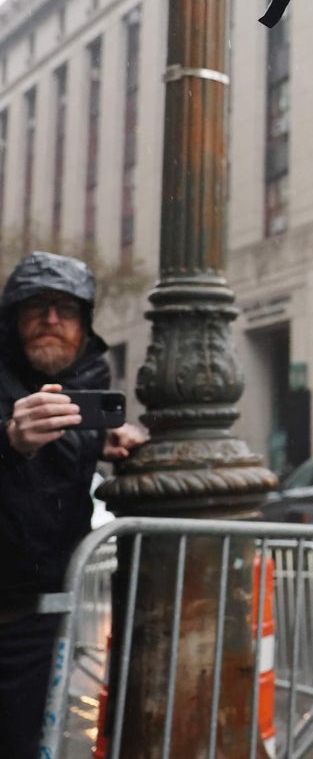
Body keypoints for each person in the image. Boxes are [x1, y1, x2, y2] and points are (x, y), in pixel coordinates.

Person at [0, 252, 144, 757]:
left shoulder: (89, 381)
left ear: (84, 324)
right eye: (36, 307)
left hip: (39, 619)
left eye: (66, 309)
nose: (51, 320)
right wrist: (10, 440)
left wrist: (101, 445)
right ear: (13, 317)